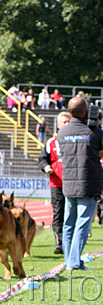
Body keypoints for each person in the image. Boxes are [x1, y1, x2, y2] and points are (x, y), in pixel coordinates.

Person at [57, 97, 103, 271]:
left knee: (68, 224)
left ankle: (70, 261)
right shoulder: (95, 132)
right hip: (88, 184)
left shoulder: (62, 133)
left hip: (68, 183)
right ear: (85, 112)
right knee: (82, 225)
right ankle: (74, 263)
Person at [38, 111, 71, 254]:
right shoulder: (51, 142)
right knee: (59, 213)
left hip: (74, 183)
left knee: (73, 213)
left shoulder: (77, 139)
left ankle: (72, 242)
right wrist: (46, 167)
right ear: (58, 124)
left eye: (69, 121)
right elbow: (42, 159)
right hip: (57, 183)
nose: (67, 124)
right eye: (64, 122)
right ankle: (59, 243)